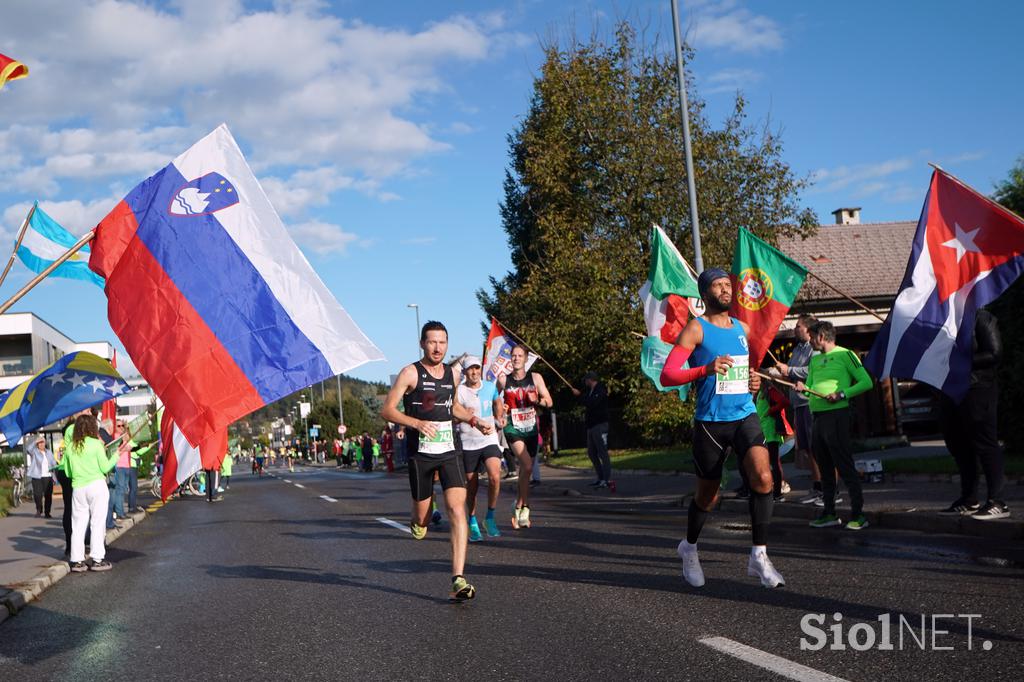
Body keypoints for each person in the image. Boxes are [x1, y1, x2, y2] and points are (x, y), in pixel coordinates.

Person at [660, 268, 785, 589]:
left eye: (728, 285)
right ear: (705, 295)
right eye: (717, 286)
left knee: (764, 478)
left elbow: (745, 374)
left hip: (744, 414)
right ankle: (689, 547)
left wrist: (754, 382)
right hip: (711, 423)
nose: (725, 290)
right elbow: (668, 375)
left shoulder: (742, 328)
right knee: (708, 497)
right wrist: (705, 368)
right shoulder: (695, 329)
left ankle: (759, 555)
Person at [380, 320, 493, 601]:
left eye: (442, 342)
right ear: (422, 343)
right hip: (421, 455)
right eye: (432, 342)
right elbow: (387, 410)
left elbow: (451, 406)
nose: (438, 347)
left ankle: (458, 578)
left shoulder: (453, 376)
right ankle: (419, 518)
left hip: (450, 450)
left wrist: (474, 419)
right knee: (423, 518)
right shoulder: (410, 373)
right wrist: (416, 422)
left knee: (457, 509)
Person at [796, 320, 873, 530]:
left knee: (844, 464)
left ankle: (859, 514)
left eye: (812, 337)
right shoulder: (815, 360)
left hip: (837, 415)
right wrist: (803, 388)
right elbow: (810, 387)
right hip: (818, 416)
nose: (810, 341)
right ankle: (829, 512)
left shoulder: (846, 354)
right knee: (825, 467)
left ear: (821, 337)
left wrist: (841, 394)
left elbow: (866, 382)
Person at [936, 309, 1009, 519]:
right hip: (950, 390)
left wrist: (961, 361)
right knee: (958, 444)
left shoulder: (981, 318)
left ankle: (998, 501)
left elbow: (995, 353)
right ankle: (969, 498)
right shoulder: (942, 323)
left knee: (985, 443)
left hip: (978, 388)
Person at [498, 345, 553, 530]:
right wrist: (500, 412)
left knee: (526, 471)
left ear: (526, 359)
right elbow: (495, 401)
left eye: (520, 356)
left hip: (531, 428)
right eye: (513, 355)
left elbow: (549, 401)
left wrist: (536, 401)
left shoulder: (535, 378)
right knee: (528, 465)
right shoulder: (503, 379)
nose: (516, 358)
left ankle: (519, 505)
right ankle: (526, 507)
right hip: (513, 428)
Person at [772, 314, 822, 504]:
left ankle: (824, 488)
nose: (795, 329)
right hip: (798, 403)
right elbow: (791, 373)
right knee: (807, 449)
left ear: (808, 330)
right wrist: (780, 372)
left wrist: (789, 370)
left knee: (815, 447)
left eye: (798, 326)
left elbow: (812, 371)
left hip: (809, 402)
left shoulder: (814, 348)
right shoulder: (797, 350)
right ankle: (816, 486)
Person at [456, 355, 505, 540]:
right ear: (465, 372)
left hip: (489, 438)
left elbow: (497, 402)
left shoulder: (490, 386)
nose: (474, 372)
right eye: (470, 369)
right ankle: (472, 519)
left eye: (477, 368)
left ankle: (490, 518)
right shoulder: (459, 391)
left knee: (495, 476)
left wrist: (499, 416)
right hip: (469, 442)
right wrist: (463, 416)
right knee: (472, 485)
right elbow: (453, 416)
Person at [65, 414, 119, 572]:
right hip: (96, 486)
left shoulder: (71, 447)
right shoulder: (96, 444)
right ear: (93, 428)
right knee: (97, 523)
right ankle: (97, 559)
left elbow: (68, 472)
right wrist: (116, 455)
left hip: (78, 488)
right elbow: (105, 467)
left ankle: (76, 560)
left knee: (78, 525)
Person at [572, 371, 611, 488]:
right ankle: (600, 477)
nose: (585, 382)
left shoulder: (600, 390)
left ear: (591, 379)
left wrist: (579, 395)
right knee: (592, 453)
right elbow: (587, 402)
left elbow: (592, 403)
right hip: (591, 426)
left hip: (600, 425)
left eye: (586, 380)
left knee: (602, 452)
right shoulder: (590, 392)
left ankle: (606, 479)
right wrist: (580, 396)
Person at [755, 383, 791, 501]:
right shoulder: (761, 392)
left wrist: (772, 410)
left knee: (774, 461)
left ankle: (778, 493)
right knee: (768, 462)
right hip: (763, 430)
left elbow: (784, 401)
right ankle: (772, 490)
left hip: (770, 430)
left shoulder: (770, 390)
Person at [27, 435, 56, 518]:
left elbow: (53, 462)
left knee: (48, 495)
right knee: (37, 495)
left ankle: (47, 512)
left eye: (42, 442)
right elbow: (28, 449)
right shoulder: (34, 452)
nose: (41, 444)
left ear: (45, 443)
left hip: (48, 476)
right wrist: (35, 441)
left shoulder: (49, 452)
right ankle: (39, 510)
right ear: (37, 444)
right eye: (39, 443)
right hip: (37, 476)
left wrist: (55, 467)